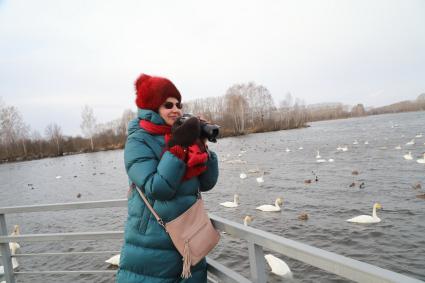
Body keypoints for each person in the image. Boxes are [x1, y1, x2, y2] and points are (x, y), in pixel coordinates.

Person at [116, 74, 219, 283]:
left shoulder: (183, 137)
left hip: (190, 240)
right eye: (168, 104)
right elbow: (157, 189)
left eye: (178, 104)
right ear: (152, 108)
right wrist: (178, 147)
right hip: (153, 247)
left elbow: (207, 183)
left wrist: (202, 145)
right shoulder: (138, 141)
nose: (176, 109)